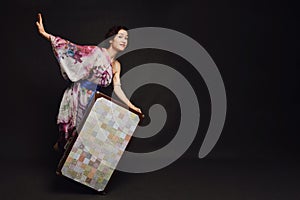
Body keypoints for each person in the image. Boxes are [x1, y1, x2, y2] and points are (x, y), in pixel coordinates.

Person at [36, 13, 142, 151]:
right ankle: (60, 156)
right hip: (77, 94)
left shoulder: (116, 65)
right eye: (120, 36)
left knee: (87, 137)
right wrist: (45, 34)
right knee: (69, 135)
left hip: (93, 99)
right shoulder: (96, 52)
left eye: (126, 38)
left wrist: (131, 106)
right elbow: (71, 49)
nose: (124, 40)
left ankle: (75, 167)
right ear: (111, 39)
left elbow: (117, 88)